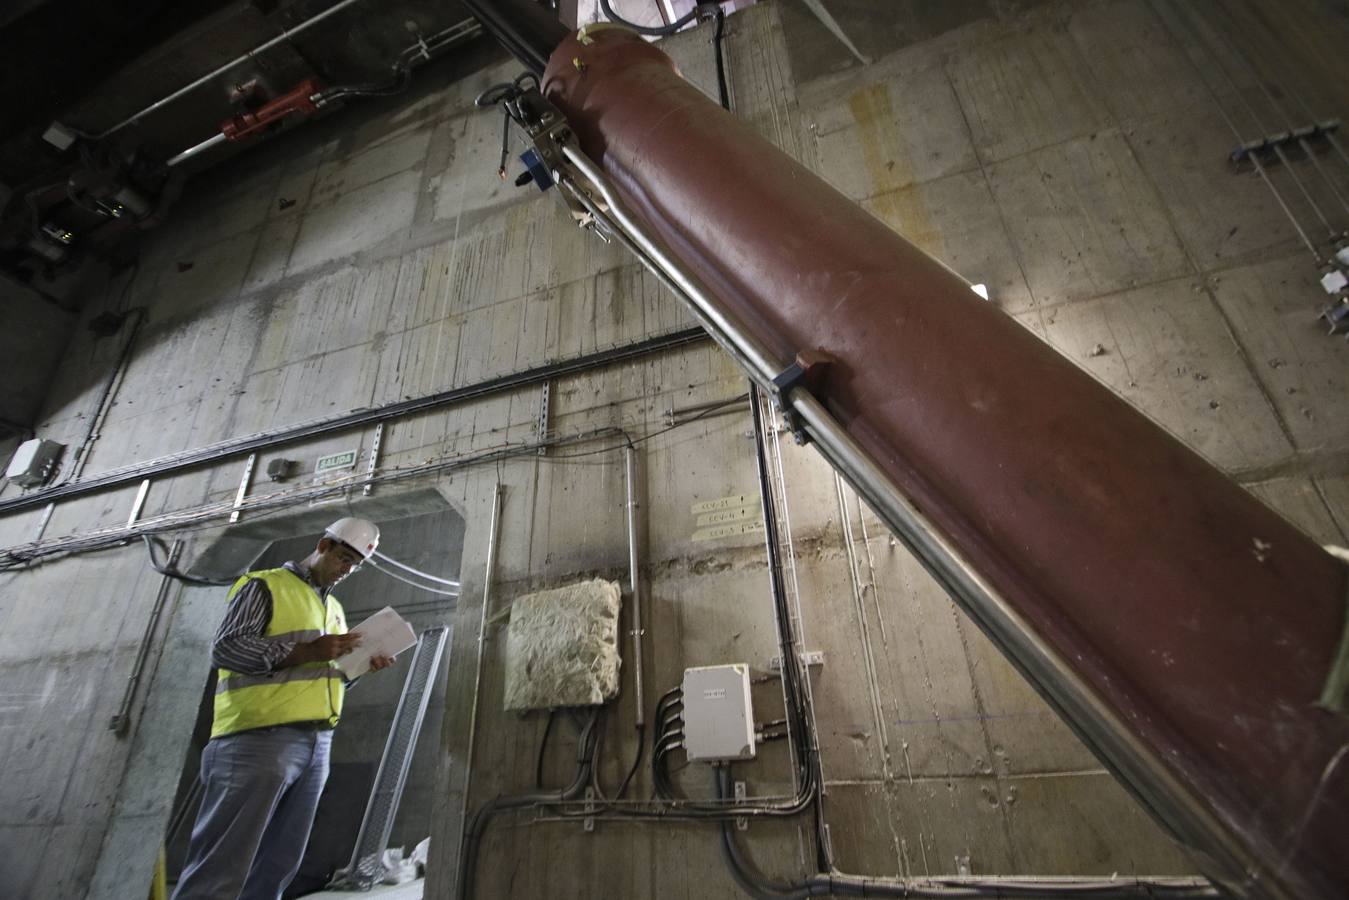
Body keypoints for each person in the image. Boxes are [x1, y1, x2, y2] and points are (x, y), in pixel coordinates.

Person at [172, 517, 396, 900]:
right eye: (344, 559)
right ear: (322, 546)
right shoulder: (266, 586)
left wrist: (359, 669)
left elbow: (324, 676)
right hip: (256, 741)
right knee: (222, 865)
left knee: (278, 864)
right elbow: (226, 648)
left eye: (355, 566)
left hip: (316, 744)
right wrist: (306, 651)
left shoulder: (335, 609)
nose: (346, 570)